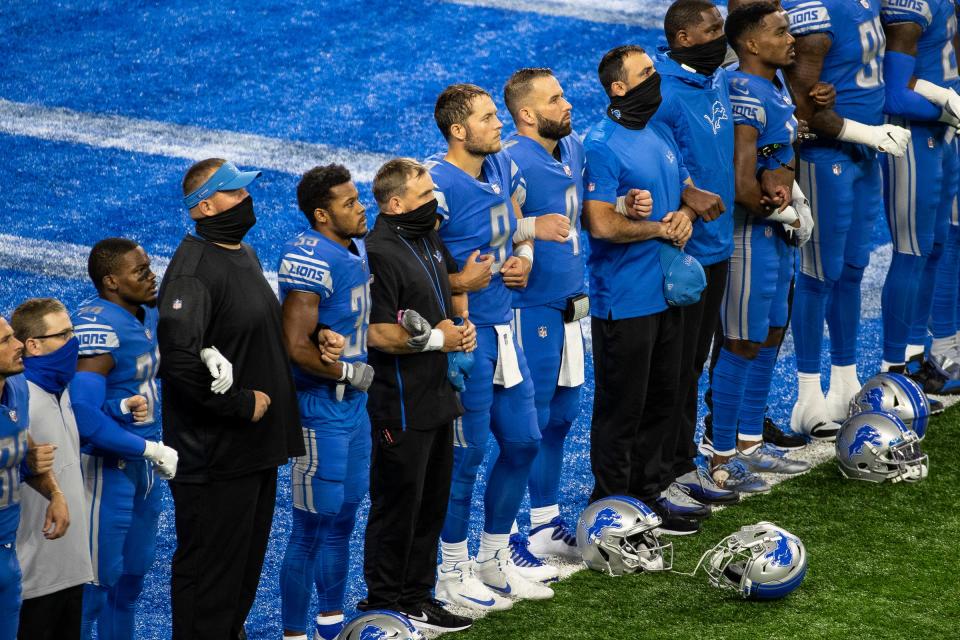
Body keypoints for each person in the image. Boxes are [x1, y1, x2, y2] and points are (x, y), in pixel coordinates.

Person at [428, 83, 568, 608]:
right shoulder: (435, 186)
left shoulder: (503, 167)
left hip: (505, 327)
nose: (498, 125)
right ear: (458, 131)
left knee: (524, 442)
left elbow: (516, 223)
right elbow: (402, 261)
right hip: (467, 336)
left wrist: (525, 255)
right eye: (488, 118)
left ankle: (492, 558)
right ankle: (452, 570)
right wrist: (457, 285)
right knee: (467, 456)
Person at [158, 159, 304, 640]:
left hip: (251, 453)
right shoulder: (192, 274)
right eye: (234, 194)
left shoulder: (241, 253)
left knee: (238, 582)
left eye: (245, 192)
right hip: (214, 458)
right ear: (203, 207)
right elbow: (180, 365)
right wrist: (241, 404)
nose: (247, 200)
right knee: (210, 583)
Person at [582, 44, 701, 535]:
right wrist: (657, 228)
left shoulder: (660, 131)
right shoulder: (601, 144)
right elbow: (600, 224)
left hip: (665, 295)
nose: (656, 79)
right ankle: (612, 506)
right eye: (646, 73)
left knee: (662, 399)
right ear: (618, 88)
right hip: (625, 301)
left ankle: (649, 496)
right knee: (622, 409)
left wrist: (685, 216)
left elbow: (687, 193)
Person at [781, 0, 913, 435]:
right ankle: (807, 396)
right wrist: (865, 132)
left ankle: (843, 383)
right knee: (819, 275)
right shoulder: (816, 9)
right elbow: (802, 106)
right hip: (827, 155)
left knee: (853, 270)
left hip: (863, 154)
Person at [360, 157, 476, 634]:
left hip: (436, 395)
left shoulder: (427, 232)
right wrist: (438, 341)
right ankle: (384, 602)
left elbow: (446, 291)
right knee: (398, 505)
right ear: (395, 203)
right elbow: (377, 332)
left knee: (431, 502)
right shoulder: (379, 252)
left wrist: (461, 329)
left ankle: (416, 596)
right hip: (400, 403)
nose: (436, 200)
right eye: (426, 193)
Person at [708, 1, 814, 494]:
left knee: (770, 334)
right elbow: (740, 182)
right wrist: (789, 211)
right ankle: (722, 454)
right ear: (751, 43)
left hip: (773, 235)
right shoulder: (744, 89)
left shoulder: (769, 85)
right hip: (748, 234)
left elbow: (776, 160)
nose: (791, 38)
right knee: (742, 340)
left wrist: (793, 197)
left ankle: (751, 442)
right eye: (780, 32)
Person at [276, 164, 372, 640]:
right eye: (350, 203)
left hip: (352, 408)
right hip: (320, 406)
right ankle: (294, 635)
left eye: (359, 198)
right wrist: (345, 370)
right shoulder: (308, 255)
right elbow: (293, 343)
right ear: (321, 214)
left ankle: (330, 624)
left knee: (343, 518)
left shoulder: (352, 247)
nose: (361, 207)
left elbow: (333, 325)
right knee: (311, 527)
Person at [499, 67, 591, 562]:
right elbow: (498, 224)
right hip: (529, 306)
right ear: (528, 114)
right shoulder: (510, 161)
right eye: (555, 100)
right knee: (527, 425)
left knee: (561, 416)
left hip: (572, 302)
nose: (567, 105)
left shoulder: (571, 147)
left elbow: (576, 209)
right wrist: (531, 227)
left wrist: (624, 202)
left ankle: (544, 523)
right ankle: (507, 536)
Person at [70, 238, 182, 640]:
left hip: (144, 466)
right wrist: (146, 447)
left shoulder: (141, 312)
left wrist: (204, 353)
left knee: (130, 582)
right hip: (107, 469)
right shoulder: (98, 328)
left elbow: (147, 369)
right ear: (111, 281)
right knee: (93, 589)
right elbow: (81, 415)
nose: (152, 276)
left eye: (149, 266)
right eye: (140, 271)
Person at [655, 0, 740, 509]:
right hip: (686, 250)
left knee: (693, 365)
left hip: (718, 243)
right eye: (711, 29)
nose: (720, 35)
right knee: (676, 367)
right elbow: (654, 158)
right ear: (684, 38)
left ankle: (683, 462)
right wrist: (687, 192)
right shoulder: (664, 92)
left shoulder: (714, 79)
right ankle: (664, 471)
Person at [878, 0, 960, 390]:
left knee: (936, 248)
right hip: (912, 135)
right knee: (911, 252)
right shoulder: (909, 7)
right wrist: (948, 105)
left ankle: (919, 359)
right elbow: (894, 92)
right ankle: (894, 369)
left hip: (942, 134)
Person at [12, 298, 92, 640]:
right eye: (63, 335)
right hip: (31, 575)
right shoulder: (19, 398)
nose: (73, 343)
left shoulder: (60, 390)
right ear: (33, 344)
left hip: (69, 566)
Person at [0, 315, 70, 640]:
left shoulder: (16, 389)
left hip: (7, 556)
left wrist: (53, 492)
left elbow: (20, 439)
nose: (19, 346)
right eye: (6, 342)